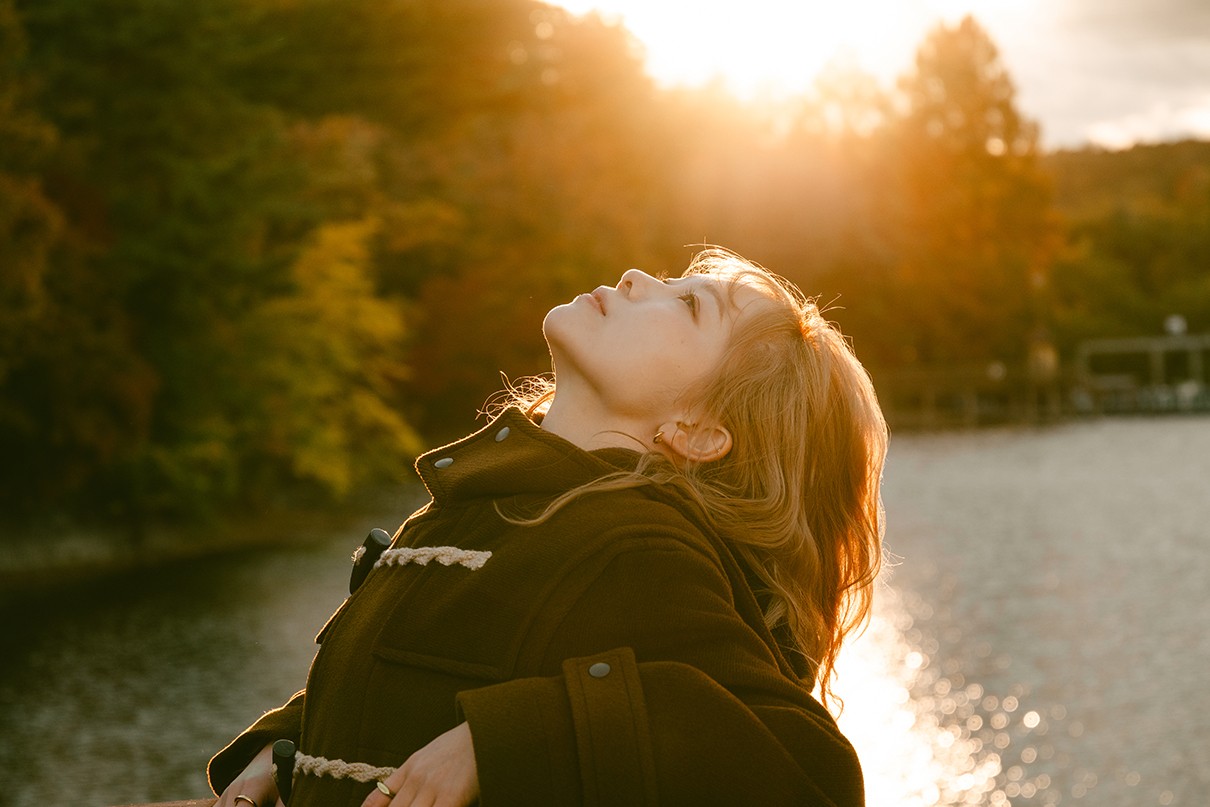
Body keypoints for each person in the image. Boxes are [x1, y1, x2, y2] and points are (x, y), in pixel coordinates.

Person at [208, 248, 888, 807]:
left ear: (699, 431)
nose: (636, 277)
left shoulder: (634, 545)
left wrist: (509, 739)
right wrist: (290, 745)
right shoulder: (482, 501)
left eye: (687, 304)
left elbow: (810, 774)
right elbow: (422, 682)